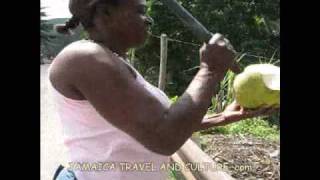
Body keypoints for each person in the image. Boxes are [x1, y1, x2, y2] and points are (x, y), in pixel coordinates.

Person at [48, 0, 276, 179]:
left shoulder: (114, 62)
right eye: (140, 11)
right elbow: (164, 137)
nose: (148, 20)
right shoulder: (83, 58)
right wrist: (210, 70)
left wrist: (223, 117)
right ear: (106, 13)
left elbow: (154, 124)